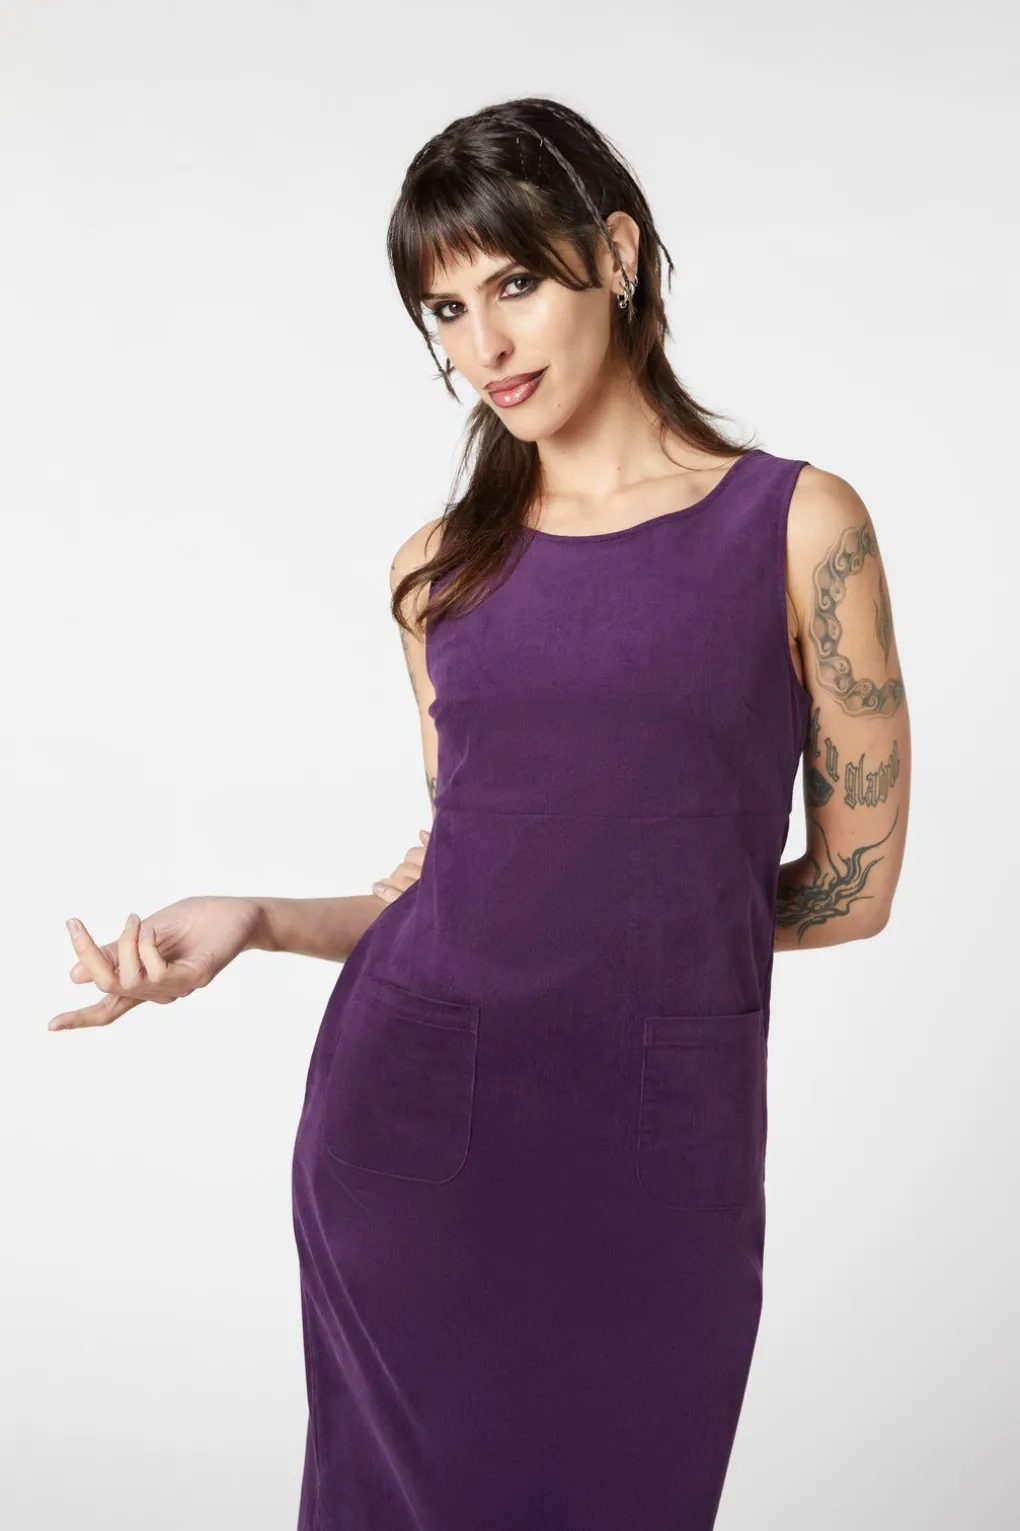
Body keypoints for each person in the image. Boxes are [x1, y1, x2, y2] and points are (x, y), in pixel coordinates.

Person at [50, 96, 911, 1530]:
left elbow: (855, 887)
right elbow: (473, 888)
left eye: (513, 283)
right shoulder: (437, 572)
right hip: (413, 1138)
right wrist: (255, 917)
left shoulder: (800, 526)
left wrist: (648, 934)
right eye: (446, 310)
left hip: (662, 1147)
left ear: (616, 255)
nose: (484, 344)